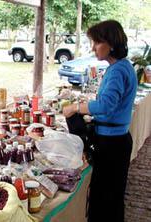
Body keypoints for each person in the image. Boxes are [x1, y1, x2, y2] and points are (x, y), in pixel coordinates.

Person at [63, 20, 137, 222]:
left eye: (96, 42)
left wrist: (76, 107)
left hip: (112, 144)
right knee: (110, 199)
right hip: (116, 140)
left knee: (104, 200)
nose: (93, 48)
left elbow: (105, 106)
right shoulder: (121, 67)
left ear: (111, 43)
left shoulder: (118, 70)